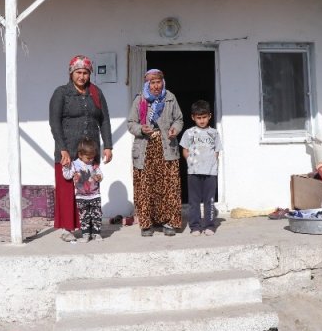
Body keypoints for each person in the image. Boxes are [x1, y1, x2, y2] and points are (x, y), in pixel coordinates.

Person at [49, 55, 113, 243]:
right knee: (67, 188)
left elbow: (105, 120)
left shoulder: (96, 93)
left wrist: (108, 145)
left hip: (90, 152)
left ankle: (90, 228)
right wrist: (63, 149)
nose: (82, 76)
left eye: (85, 73)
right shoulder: (61, 93)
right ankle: (68, 228)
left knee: (89, 189)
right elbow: (54, 123)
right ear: (71, 73)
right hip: (67, 149)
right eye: (78, 72)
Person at [127, 68, 184, 237]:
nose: (156, 86)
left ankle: (169, 222)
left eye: (158, 81)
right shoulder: (140, 100)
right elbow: (131, 123)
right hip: (146, 148)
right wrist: (141, 129)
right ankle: (146, 224)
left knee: (169, 186)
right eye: (152, 82)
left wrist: (175, 129)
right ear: (147, 83)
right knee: (146, 186)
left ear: (163, 82)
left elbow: (179, 119)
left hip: (166, 147)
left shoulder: (170, 98)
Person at [180, 100, 222, 236]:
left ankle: (209, 225)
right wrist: (191, 162)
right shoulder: (189, 133)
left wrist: (210, 164)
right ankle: (195, 226)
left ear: (210, 116)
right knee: (194, 201)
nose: (202, 120)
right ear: (193, 117)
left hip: (210, 172)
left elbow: (216, 152)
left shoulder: (214, 133)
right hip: (194, 172)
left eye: (204, 117)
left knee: (209, 200)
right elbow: (185, 150)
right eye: (199, 118)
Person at [62, 138, 104, 243]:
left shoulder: (94, 165)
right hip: (81, 196)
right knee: (84, 216)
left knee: (96, 215)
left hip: (95, 195)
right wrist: (66, 168)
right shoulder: (74, 165)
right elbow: (67, 176)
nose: (90, 160)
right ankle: (85, 234)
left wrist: (99, 177)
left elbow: (100, 174)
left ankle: (96, 234)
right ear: (80, 155)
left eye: (92, 157)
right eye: (88, 157)